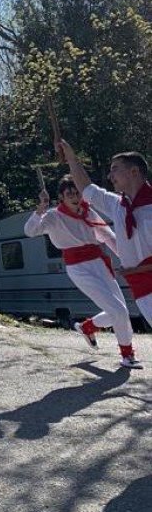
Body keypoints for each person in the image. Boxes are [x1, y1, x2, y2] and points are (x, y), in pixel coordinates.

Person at [24, 175, 136, 364]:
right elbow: (30, 231)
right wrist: (41, 208)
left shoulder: (88, 212)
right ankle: (127, 356)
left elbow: (108, 237)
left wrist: (129, 259)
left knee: (121, 311)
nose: (75, 197)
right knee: (117, 310)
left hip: (100, 263)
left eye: (77, 193)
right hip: (78, 268)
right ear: (61, 197)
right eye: (70, 194)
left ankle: (87, 327)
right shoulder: (53, 216)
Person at [58, 140, 150, 367]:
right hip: (141, 287)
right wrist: (71, 158)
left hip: (143, 278)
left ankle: (123, 352)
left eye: (115, 169)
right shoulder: (118, 205)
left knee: (119, 310)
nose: (110, 176)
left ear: (134, 172)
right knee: (118, 310)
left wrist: (139, 268)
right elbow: (87, 189)